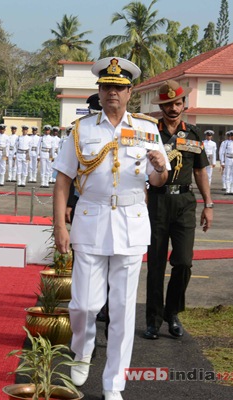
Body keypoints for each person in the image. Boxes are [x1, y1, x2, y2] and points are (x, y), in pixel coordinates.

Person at [53, 57, 169, 400]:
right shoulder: (82, 129)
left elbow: (158, 180)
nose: (112, 93)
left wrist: (161, 168)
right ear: (99, 91)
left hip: (131, 223)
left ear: (130, 92)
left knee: (121, 308)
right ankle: (83, 349)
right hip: (91, 219)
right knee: (83, 305)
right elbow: (63, 180)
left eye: (118, 88)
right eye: (106, 87)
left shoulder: (148, 129)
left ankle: (113, 383)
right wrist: (59, 223)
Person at [144, 80, 213, 342]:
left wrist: (208, 204)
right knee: (156, 264)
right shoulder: (150, 133)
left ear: (184, 104)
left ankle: (172, 313)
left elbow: (199, 172)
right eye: (167, 104)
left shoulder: (194, 134)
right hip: (157, 202)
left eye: (177, 103)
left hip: (184, 202)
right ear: (160, 106)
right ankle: (152, 320)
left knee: (183, 262)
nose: (173, 108)